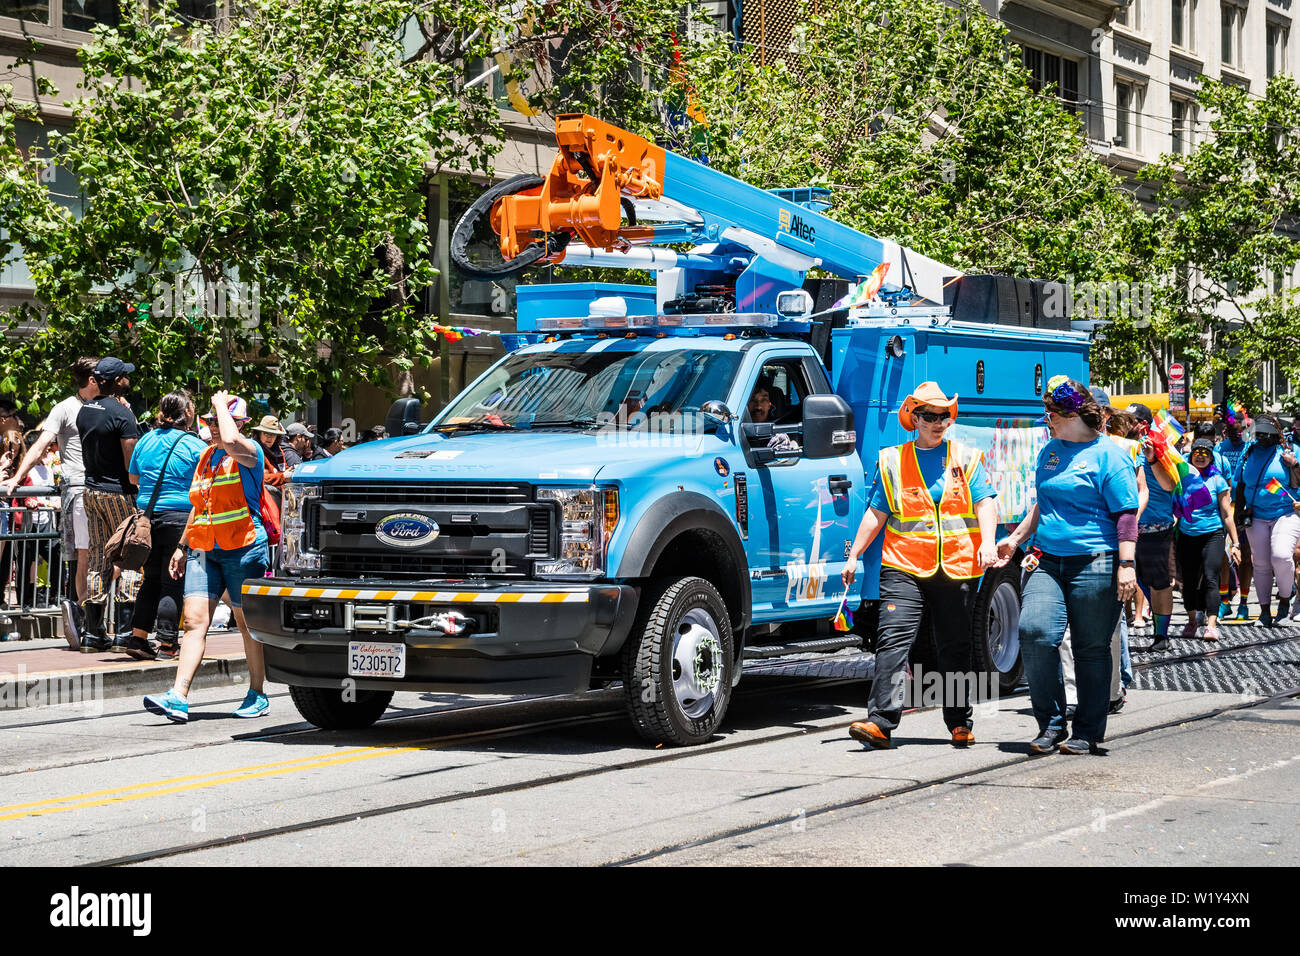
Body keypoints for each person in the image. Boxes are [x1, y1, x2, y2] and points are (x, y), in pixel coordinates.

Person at [841, 382, 999, 749]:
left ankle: (959, 721)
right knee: (894, 639)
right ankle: (880, 721)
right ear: (914, 418)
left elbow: (985, 503)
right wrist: (854, 555)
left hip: (956, 566)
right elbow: (876, 513)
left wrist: (988, 543)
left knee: (955, 646)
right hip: (904, 565)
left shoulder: (966, 457)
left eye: (944, 415)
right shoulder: (893, 460)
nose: (938, 421)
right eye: (929, 415)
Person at [996, 377, 1138, 756]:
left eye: (1051, 415)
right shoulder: (1050, 452)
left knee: (1091, 649)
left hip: (1097, 561)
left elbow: (1126, 515)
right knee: (1035, 632)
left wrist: (1126, 565)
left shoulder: (1110, 455)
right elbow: (1044, 505)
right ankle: (1052, 723)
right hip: (1046, 559)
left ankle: (1087, 730)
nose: (1048, 421)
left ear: (1072, 415)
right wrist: (1015, 539)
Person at [143, 393, 272, 722]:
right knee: (194, 622)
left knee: (247, 626)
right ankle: (178, 695)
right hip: (205, 548)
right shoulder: (205, 457)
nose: (213, 427)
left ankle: (257, 693)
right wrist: (182, 546)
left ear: (240, 423)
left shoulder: (249, 452)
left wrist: (219, 404)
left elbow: (230, 440)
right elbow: (200, 506)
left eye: (218, 420)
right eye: (209, 421)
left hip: (243, 548)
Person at [0, 359, 100, 645]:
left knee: (109, 558)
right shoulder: (65, 408)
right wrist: (18, 477)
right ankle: (85, 621)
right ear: (92, 378)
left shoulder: (112, 405)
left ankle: (99, 619)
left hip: (109, 489)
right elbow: (41, 445)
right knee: (82, 555)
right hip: (80, 488)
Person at [126, 392, 207, 662]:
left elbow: (133, 476)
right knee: (173, 581)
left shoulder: (146, 440)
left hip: (147, 519)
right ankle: (167, 644)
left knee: (149, 580)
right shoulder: (194, 445)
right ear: (187, 414)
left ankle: (138, 638)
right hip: (180, 519)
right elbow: (206, 483)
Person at [76, 357, 142, 654]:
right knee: (130, 556)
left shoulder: (85, 410)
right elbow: (131, 464)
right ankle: (125, 632)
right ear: (116, 381)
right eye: (124, 376)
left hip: (91, 490)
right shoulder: (122, 415)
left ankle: (93, 633)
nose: (127, 379)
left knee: (98, 558)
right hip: (119, 492)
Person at [1233, 414, 1300, 627]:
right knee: (1260, 563)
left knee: (1280, 556)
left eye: (1266, 435)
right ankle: (1264, 611)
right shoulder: (1248, 452)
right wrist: (1238, 515)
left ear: (1276, 435)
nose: (1262, 438)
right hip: (1256, 515)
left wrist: (1295, 464)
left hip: (1285, 512)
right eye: (1258, 434)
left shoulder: (1290, 451)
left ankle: (1284, 598)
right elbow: (1240, 484)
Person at [1172, 438, 1238, 643]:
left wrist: (1235, 543)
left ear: (1211, 457)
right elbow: (1175, 508)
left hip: (1213, 534)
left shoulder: (1217, 480)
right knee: (1189, 581)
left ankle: (1211, 625)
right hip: (1187, 535)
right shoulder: (1181, 478)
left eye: (1205, 453)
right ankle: (1192, 621)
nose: (1200, 456)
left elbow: (1227, 514)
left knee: (1211, 577)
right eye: (1196, 452)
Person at [1126, 403, 1178, 652]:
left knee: (1159, 583)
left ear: (1143, 424)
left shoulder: (1160, 447)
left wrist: (1153, 458)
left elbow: (1170, 485)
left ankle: (1161, 635)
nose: (1126, 423)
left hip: (1155, 526)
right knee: (1138, 581)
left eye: (1131, 420)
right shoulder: (1120, 445)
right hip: (1125, 526)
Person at [1217, 410, 1254, 619]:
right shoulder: (1220, 448)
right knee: (1224, 555)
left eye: (1238, 433)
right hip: (1224, 509)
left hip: (1244, 508)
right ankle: (1224, 602)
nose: (1234, 436)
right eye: (1231, 432)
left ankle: (1244, 603)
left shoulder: (1250, 449)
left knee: (1246, 558)